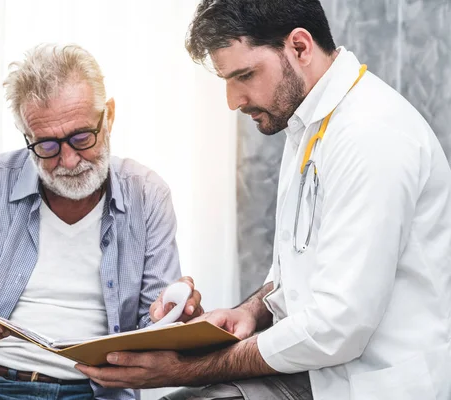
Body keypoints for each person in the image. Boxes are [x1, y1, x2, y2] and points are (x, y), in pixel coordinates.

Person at [75, 1, 451, 399]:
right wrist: (251, 312)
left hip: (374, 383)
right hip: (321, 372)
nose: (233, 100)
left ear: (300, 47)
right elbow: (298, 273)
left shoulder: (370, 135)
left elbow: (338, 328)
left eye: (245, 75)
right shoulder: (309, 121)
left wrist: (187, 369)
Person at [0, 43, 202, 400]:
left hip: (94, 392)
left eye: (82, 137)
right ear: (27, 136)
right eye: (47, 146)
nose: (70, 161)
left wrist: (172, 317)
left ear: (110, 116)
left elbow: (157, 327)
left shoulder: (147, 194)